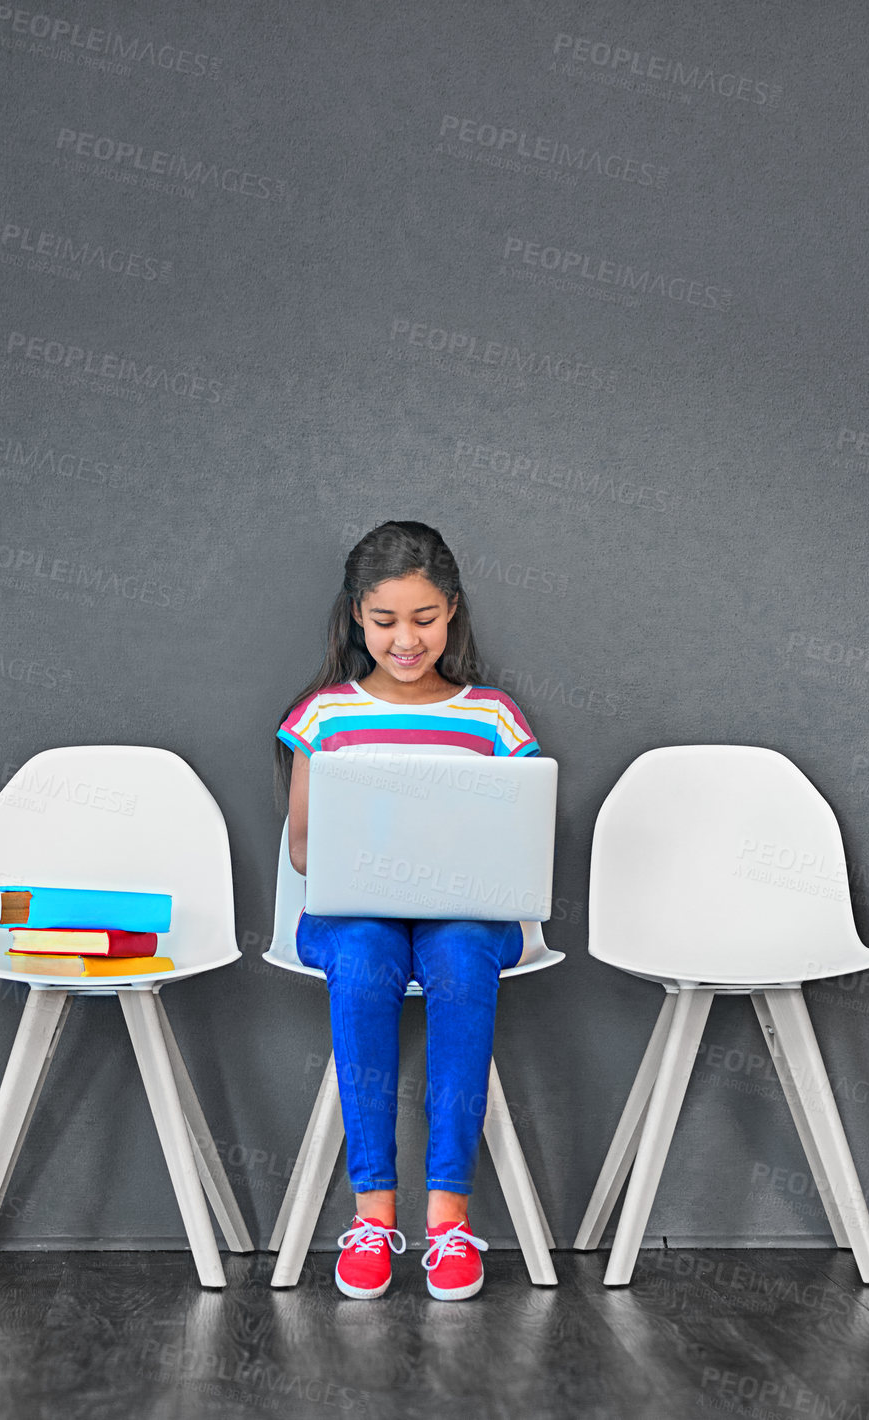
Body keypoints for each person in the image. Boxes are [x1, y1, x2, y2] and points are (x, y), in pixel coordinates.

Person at [272, 520, 542, 1302]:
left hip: (465, 913)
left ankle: (449, 1220)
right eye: (386, 620)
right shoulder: (324, 716)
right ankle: (372, 1214)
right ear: (357, 615)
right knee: (360, 960)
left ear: (451, 612)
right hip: (353, 909)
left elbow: (519, 836)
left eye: (423, 619)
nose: (404, 639)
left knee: (460, 960)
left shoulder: (491, 718)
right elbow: (300, 851)